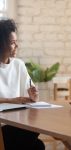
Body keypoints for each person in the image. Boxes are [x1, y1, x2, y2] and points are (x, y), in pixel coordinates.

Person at [0, 18, 45, 150]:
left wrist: (33, 97)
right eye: (13, 43)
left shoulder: (18, 65)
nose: (17, 46)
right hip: (3, 126)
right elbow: (17, 100)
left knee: (38, 145)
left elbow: (28, 96)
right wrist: (12, 100)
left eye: (16, 42)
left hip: (17, 122)